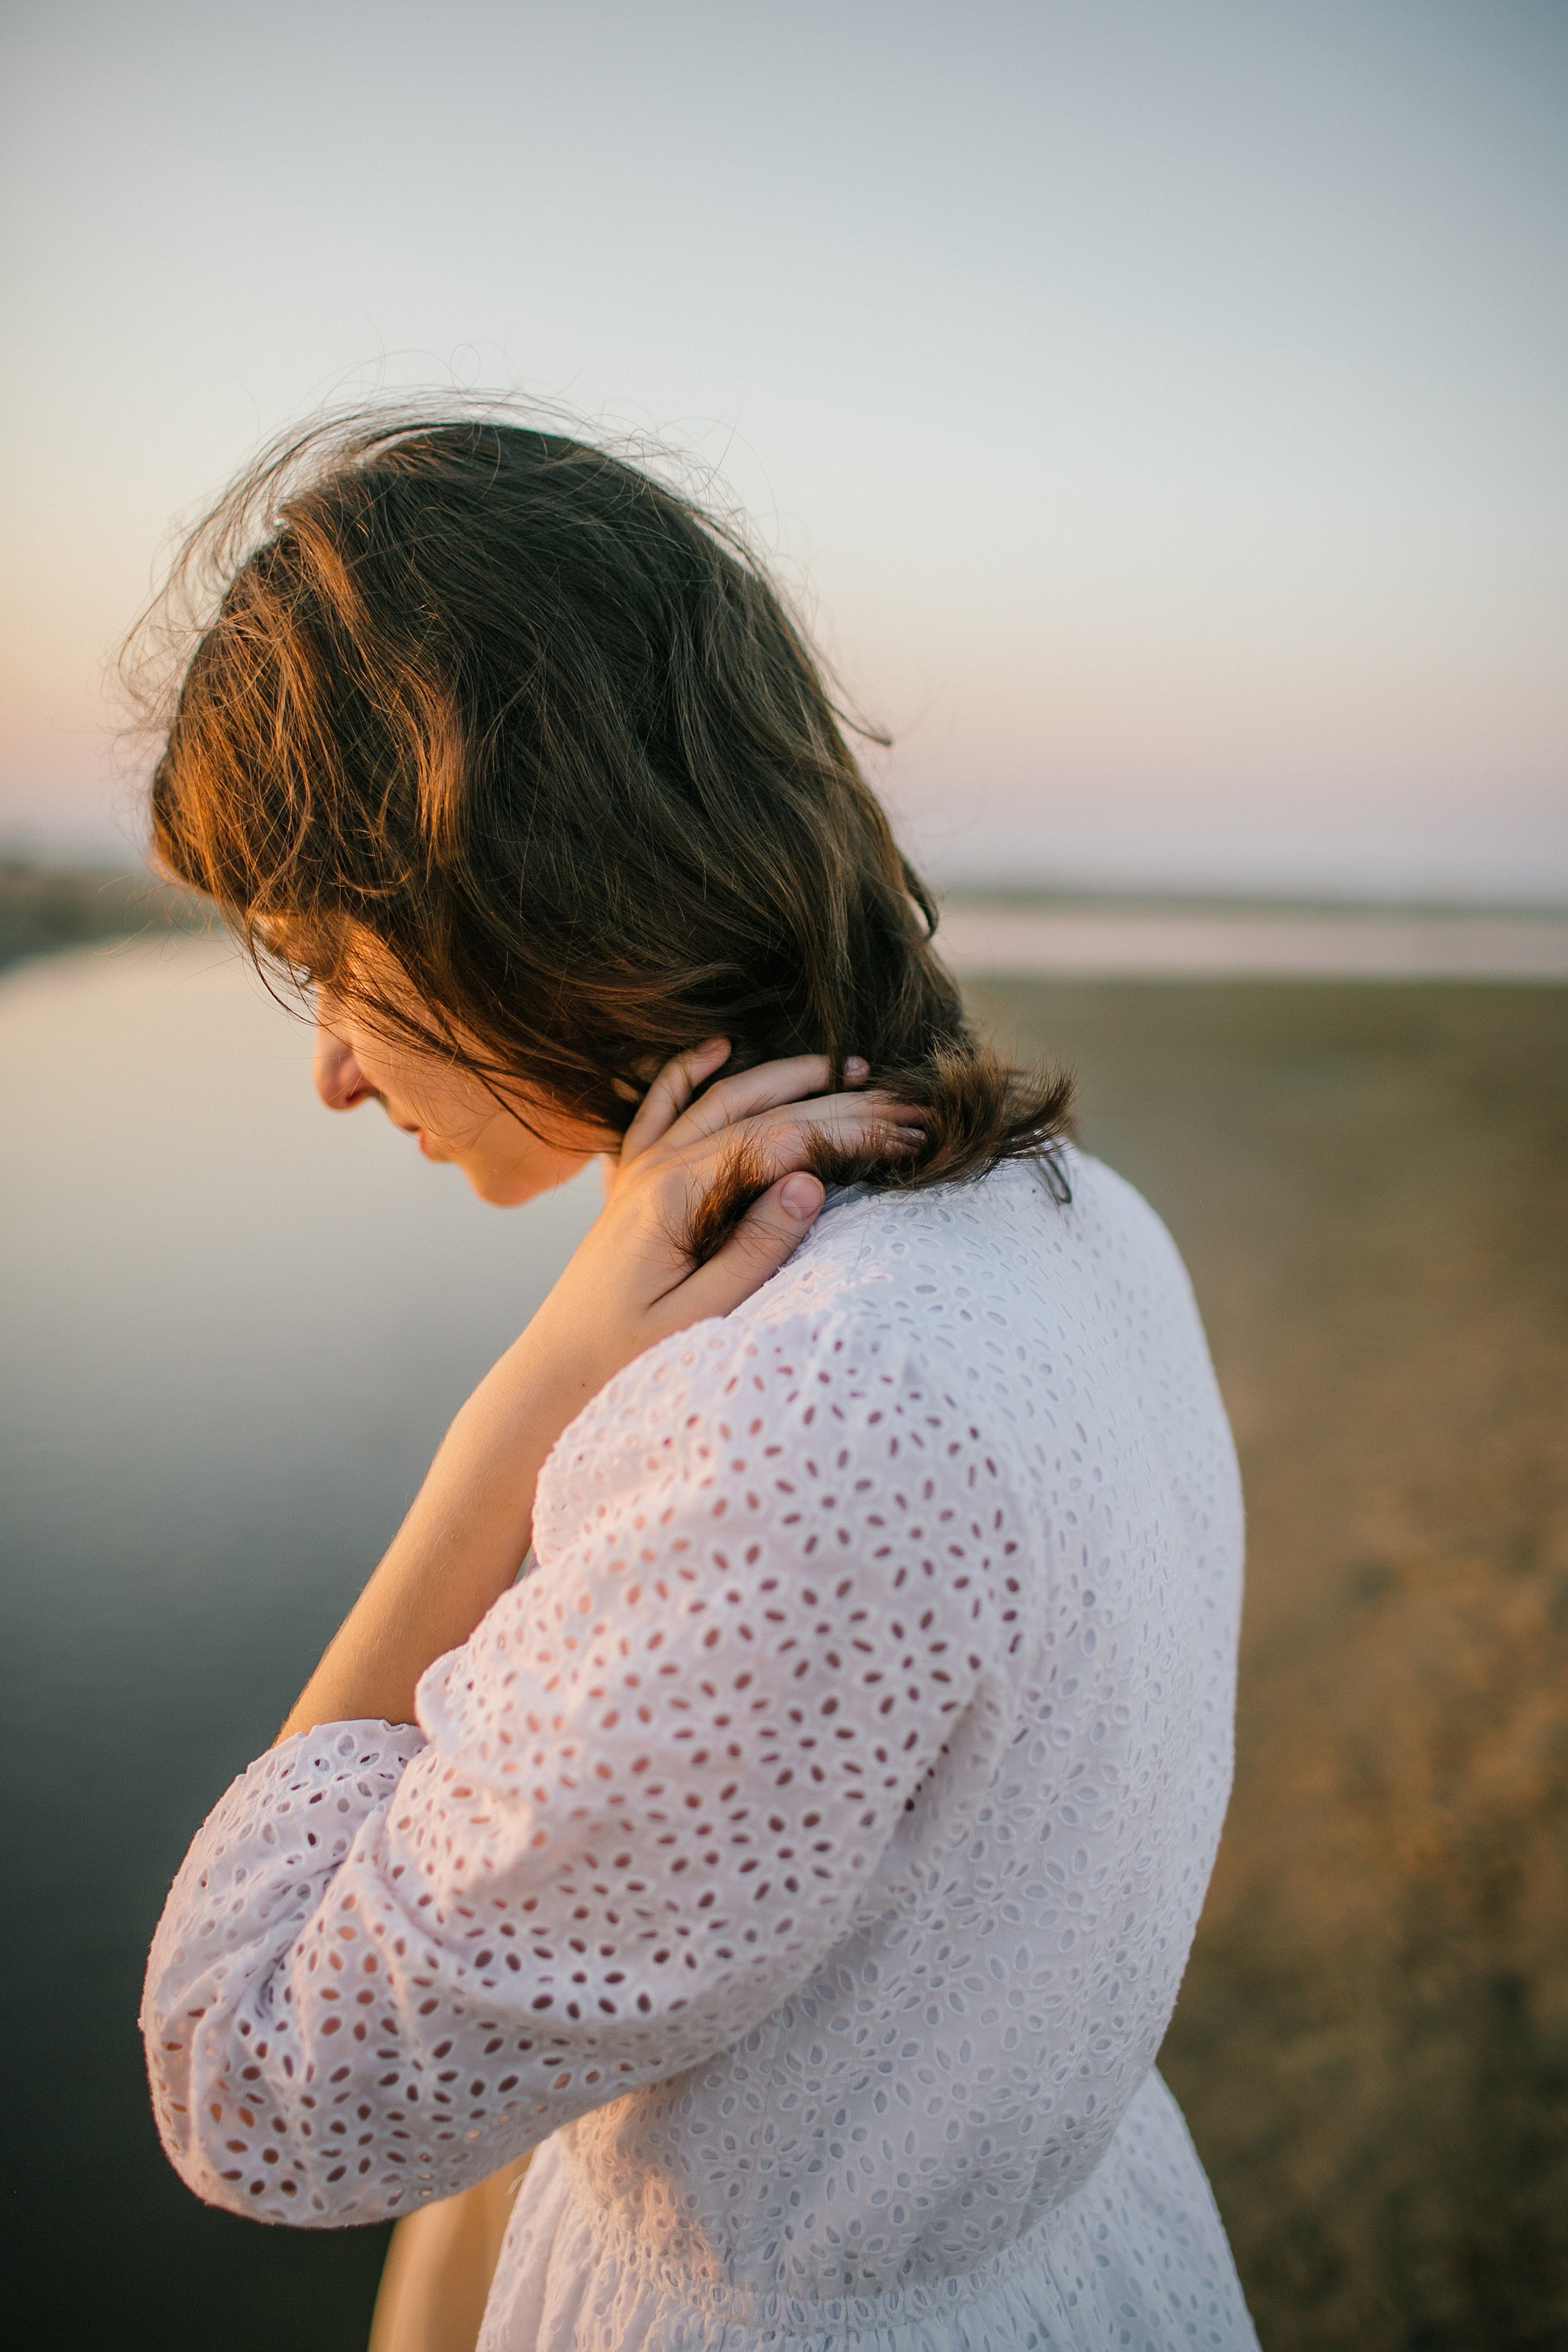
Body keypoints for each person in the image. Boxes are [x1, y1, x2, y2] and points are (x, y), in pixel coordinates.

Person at [137, 410, 1258, 2351]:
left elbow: (254, 2080)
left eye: (332, 960)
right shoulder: (1069, 1219)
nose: (330, 1067)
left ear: (523, 885)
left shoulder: (807, 1422)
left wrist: (519, 1414)